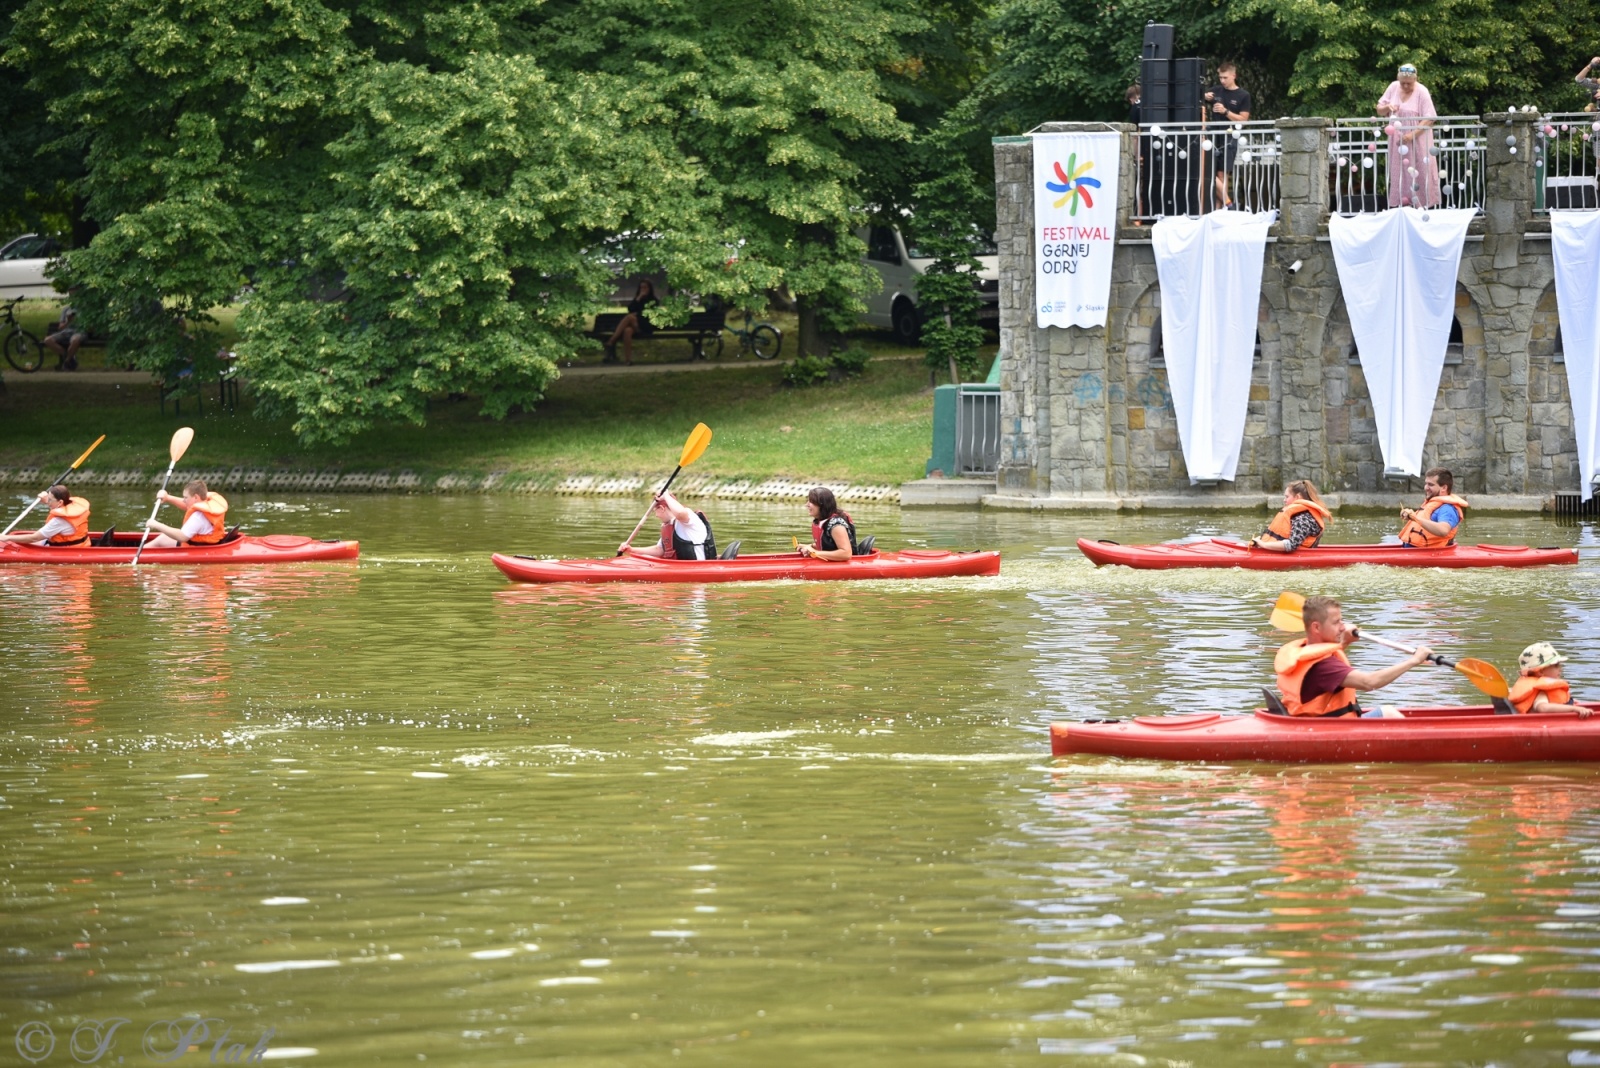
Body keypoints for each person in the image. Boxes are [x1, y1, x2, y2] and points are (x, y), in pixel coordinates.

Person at [1273, 595, 1434, 718]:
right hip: (1332, 731)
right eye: (1336, 622)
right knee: (1389, 714)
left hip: (1313, 723)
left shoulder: (1303, 650)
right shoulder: (1324, 667)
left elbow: (1324, 671)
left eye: (1342, 620)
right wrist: (1414, 660)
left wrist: (1344, 642)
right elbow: (1369, 682)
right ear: (1316, 627)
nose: (1343, 627)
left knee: (1387, 711)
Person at [1375, 63, 1440, 208]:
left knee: (1420, 173)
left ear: (1415, 80)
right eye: (1402, 83)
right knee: (1400, 173)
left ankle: (1423, 207)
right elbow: (1379, 109)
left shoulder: (1422, 91)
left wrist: (1412, 135)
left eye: (1408, 83)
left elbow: (1430, 118)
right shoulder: (1393, 87)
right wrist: (1387, 107)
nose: (1405, 86)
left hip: (1418, 140)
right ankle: (1401, 206)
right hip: (1397, 143)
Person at [1202, 62, 1251, 210]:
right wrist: (1203, 95)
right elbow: (1196, 100)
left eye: (1225, 77)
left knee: (1222, 175)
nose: (1222, 81)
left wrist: (1225, 112)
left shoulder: (1243, 95)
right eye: (1220, 77)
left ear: (1233, 76)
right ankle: (1228, 204)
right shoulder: (1216, 90)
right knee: (1207, 171)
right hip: (1212, 137)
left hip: (1230, 137)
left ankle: (1221, 209)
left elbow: (1243, 120)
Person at [622, 491, 716, 560]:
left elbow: (680, 513)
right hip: (678, 567)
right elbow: (660, 550)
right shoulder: (669, 525)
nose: (656, 515)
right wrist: (632, 550)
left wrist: (666, 495)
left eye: (656, 511)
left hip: (697, 568)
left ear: (662, 508)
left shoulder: (688, 516)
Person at [1509, 642, 1591, 717]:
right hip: (1539, 725)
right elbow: (1542, 707)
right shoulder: (1541, 691)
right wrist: (1574, 709)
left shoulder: (1536, 686)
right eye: (1556, 665)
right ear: (1541, 671)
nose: (1560, 669)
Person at [1249, 480, 1331, 553]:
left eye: (1287, 497)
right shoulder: (1297, 514)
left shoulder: (1304, 518)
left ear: (1298, 497)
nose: (1284, 500)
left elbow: (1291, 544)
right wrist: (1260, 541)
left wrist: (1263, 544)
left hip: (1300, 556)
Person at [143, 479, 229, 547]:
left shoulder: (198, 517)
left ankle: (135, 555)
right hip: (207, 542)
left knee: (160, 540)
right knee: (163, 537)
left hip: (195, 547)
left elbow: (182, 537)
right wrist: (168, 497)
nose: (184, 500)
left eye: (185, 497)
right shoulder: (207, 504)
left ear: (196, 497)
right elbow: (186, 505)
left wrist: (156, 524)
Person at [1398, 468, 1467, 548]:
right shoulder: (1431, 504)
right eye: (1426, 484)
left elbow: (1443, 530)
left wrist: (1416, 518)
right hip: (1413, 552)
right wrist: (1409, 515)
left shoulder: (1447, 508)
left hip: (1431, 555)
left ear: (1444, 488)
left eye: (1430, 485)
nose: (1426, 488)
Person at [0, 485, 89, 546]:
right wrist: (47, 501)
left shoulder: (59, 521)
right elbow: (57, 506)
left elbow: (34, 538)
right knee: (16, 540)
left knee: (13, 540)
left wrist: (6, 538)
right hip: (81, 544)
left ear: (60, 502)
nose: (47, 502)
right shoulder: (70, 507)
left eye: (50, 500)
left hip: (65, 550)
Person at [604, 279, 659, 366]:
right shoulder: (638, 299)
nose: (643, 289)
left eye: (645, 287)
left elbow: (649, 315)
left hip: (646, 326)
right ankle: (628, 360)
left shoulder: (653, 301)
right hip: (635, 325)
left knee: (630, 317)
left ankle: (611, 340)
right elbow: (630, 309)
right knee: (627, 331)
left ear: (649, 288)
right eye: (641, 288)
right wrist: (638, 298)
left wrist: (637, 314)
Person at [800, 486, 857, 561]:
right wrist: (809, 547)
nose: (807, 505)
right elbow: (829, 545)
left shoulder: (836, 525)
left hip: (849, 565)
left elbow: (846, 554)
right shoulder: (821, 521)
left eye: (811, 502)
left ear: (822, 505)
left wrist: (815, 552)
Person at [43, 304, 87, 370]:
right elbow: (60, 327)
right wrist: (68, 321)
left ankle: (67, 362)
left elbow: (89, 327)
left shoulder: (85, 308)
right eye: (70, 293)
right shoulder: (66, 309)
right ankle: (70, 358)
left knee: (75, 340)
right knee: (47, 340)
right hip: (66, 332)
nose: (71, 293)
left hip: (79, 332)